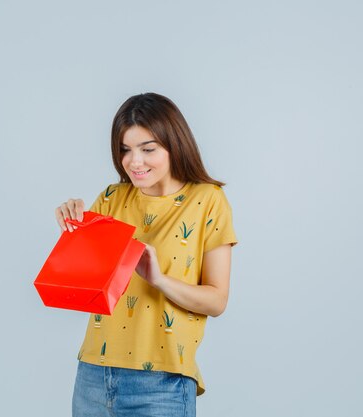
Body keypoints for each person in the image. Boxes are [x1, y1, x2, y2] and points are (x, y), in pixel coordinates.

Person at [55, 92, 238, 417]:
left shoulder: (208, 200)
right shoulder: (112, 197)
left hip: (162, 384)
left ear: (174, 144)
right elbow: (85, 283)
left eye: (148, 149)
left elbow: (217, 300)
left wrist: (159, 280)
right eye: (125, 150)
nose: (134, 161)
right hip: (94, 376)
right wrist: (71, 232)